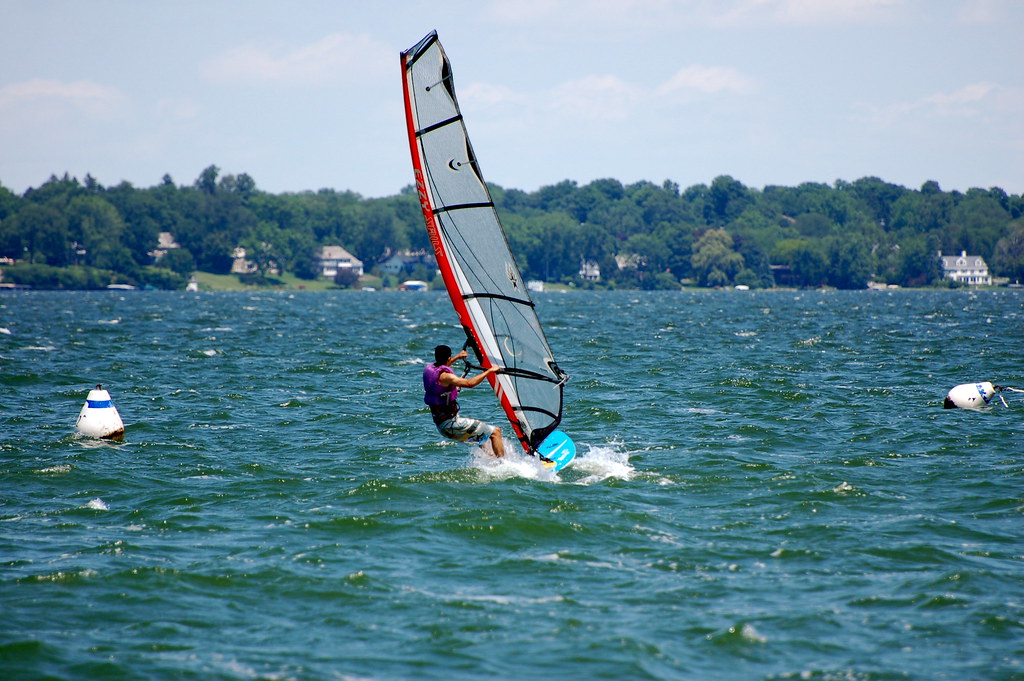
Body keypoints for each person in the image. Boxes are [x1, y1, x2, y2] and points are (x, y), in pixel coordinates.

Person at [423, 344, 505, 458]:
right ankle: (504, 464)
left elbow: (442, 367)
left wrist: (457, 357)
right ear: (448, 358)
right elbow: (469, 383)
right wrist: (490, 371)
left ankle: (492, 459)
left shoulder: (429, 369)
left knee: (482, 437)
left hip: (443, 426)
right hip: (452, 425)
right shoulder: (447, 377)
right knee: (495, 432)